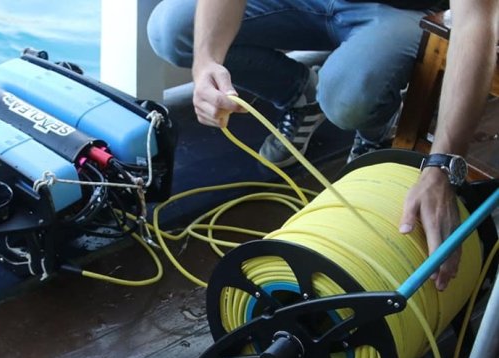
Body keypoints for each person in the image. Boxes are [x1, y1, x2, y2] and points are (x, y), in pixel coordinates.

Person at [147, 0, 499, 290]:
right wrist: (206, 64)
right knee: (171, 29)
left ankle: (374, 129)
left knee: (347, 100)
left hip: (398, 11)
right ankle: (300, 96)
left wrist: (442, 165)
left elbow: (476, 20)